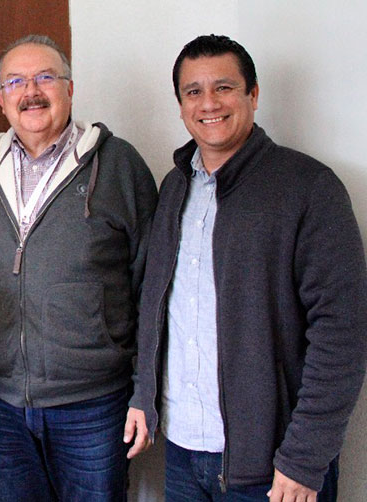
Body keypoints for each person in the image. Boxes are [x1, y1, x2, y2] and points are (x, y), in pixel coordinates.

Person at [125, 34, 367, 502]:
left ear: (253, 95)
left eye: (224, 87)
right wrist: (143, 395)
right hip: (181, 449)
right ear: (181, 106)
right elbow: (157, 307)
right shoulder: (174, 188)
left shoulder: (309, 188)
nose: (208, 103)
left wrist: (304, 458)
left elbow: (342, 334)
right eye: (193, 91)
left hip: (273, 465)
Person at [0, 35, 157, 501]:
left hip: (95, 404)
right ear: (1, 99)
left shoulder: (119, 165)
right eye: (16, 82)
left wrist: (145, 389)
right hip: (5, 401)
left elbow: (153, 286)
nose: (31, 91)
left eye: (45, 78)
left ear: (70, 89)